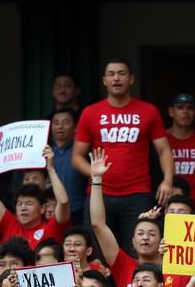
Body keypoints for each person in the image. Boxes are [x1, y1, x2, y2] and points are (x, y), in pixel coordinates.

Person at [72, 58, 174, 253]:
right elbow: (76, 157)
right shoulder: (90, 112)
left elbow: (164, 150)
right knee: (97, 252)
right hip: (99, 193)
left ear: (132, 79)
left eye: (121, 73)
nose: (116, 78)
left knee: (139, 252)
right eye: (111, 74)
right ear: (104, 80)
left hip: (137, 193)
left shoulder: (148, 111)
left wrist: (168, 180)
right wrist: (94, 174)